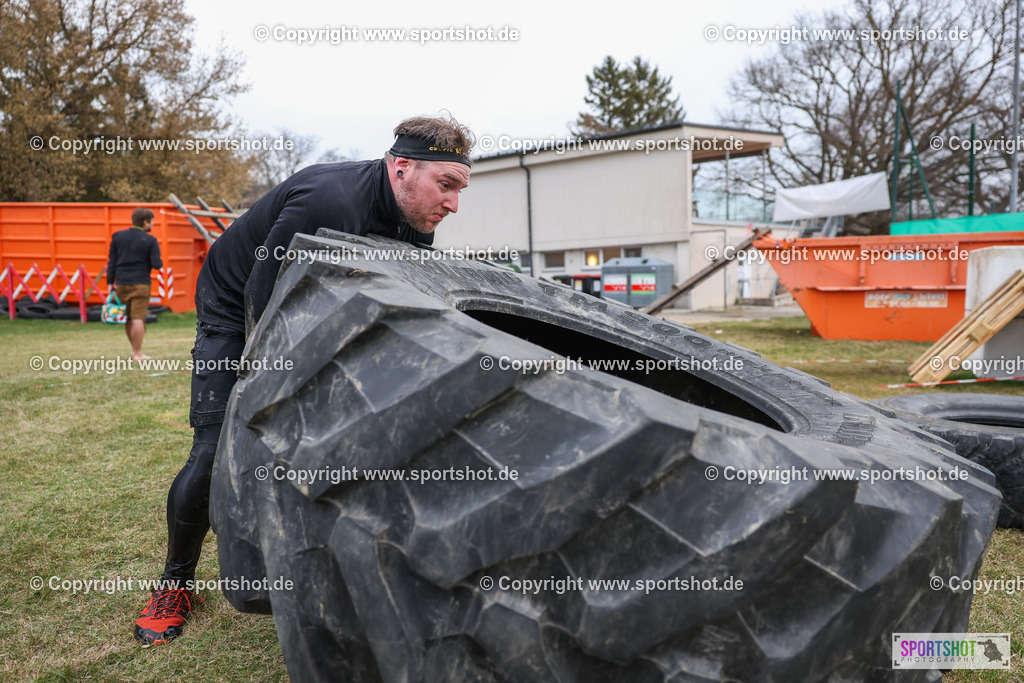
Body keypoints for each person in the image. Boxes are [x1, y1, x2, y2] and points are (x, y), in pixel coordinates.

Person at [134, 115, 474, 646]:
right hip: (235, 305)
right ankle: (174, 583)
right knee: (215, 448)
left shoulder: (416, 220)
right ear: (402, 168)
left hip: (323, 300)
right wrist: (265, 388)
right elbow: (260, 299)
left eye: (460, 189)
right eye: (446, 185)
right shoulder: (330, 199)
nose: (454, 204)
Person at [107, 208, 162, 360]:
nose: (153, 224)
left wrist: (110, 282)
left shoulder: (118, 236)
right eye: (152, 221)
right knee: (138, 317)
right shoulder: (151, 240)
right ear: (145, 222)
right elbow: (157, 264)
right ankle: (137, 353)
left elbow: (112, 261)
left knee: (128, 318)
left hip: (122, 283)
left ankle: (134, 350)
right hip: (141, 283)